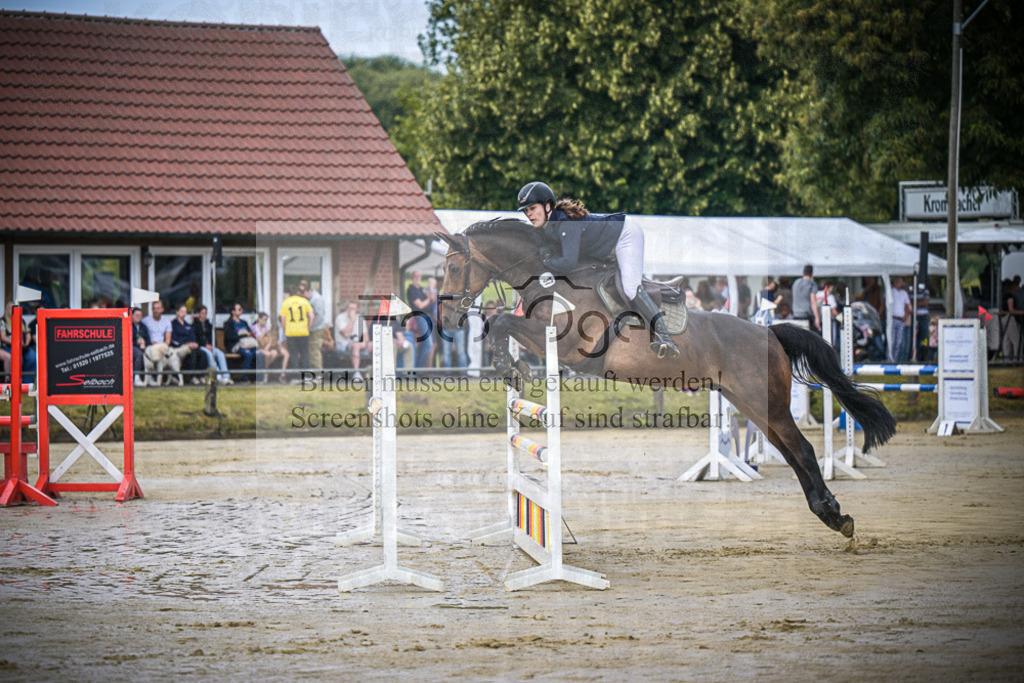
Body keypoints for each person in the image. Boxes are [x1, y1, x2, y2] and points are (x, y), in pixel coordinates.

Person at [517, 181, 679, 358]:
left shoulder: (565, 224)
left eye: (532, 208)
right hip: (607, 246)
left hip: (625, 235)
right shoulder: (549, 227)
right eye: (526, 211)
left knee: (631, 288)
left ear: (548, 206)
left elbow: (569, 263)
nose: (529, 214)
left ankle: (665, 338)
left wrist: (547, 261)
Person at [191, 305, 232, 385]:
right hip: (201, 346)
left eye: (205, 313)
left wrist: (212, 345)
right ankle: (218, 376)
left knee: (220, 354)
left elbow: (213, 338)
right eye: (202, 313)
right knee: (209, 355)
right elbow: (196, 339)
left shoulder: (209, 325)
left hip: (210, 346)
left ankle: (226, 376)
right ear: (198, 314)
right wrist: (205, 345)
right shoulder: (194, 326)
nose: (204, 315)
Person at [224, 303, 264, 383]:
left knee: (259, 354)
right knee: (248, 354)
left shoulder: (244, 322)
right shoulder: (228, 323)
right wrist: (244, 335)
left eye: (241, 309)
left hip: (248, 344)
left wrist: (251, 334)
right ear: (233, 312)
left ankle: (258, 379)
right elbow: (230, 337)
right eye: (239, 309)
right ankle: (244, 378)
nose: (241, 310)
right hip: (236, 345)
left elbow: (249, 333)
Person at [280, 284, 313, 374]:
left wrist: (284, 330)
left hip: (291, 332)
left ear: (288, 293)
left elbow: (283, 319)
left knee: (294, 355)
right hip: (303, 332)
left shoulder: (286, 303)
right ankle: (306, 376)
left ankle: (296, 377)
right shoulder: (304, 301)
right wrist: (308, 328)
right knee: (305, 354)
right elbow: (312, 316)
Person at [406, 270, 434, 367]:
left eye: (419, 276)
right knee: (428, 345)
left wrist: (431, 288)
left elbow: (433, 299)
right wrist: (429, 298)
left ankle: (418, 369)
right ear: (412, 277)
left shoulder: (422, 289)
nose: (418, 277)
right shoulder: (411, 290)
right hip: (421, 317)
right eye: (415, 276)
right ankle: (419, 369)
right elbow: (420, 305)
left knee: (424, 345)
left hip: (429, 317)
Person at [334, 300, 367, 380]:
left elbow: (366, 336)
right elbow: (346, 334)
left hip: (358, 344)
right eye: (349, 308)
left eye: (353, 308)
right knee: (355, 345)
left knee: (374, 345)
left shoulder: (360, 318)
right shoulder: (340, 318)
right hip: (343, 345)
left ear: (357, 309)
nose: (351, 310)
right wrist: (352, 320)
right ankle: (356, 373)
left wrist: (364, 343)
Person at [297, 280, 326, 370]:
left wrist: (310, 327)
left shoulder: (316, 299)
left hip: (316, 329)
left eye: (302, 295)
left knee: (314, 352)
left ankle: (318, 375)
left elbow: (319, 316)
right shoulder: (310, 299)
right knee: (310, 352)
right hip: (311, 329)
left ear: (306, 292)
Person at [252, 311, 288, 382]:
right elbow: (258, 339)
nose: (266, 322)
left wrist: (268, 346)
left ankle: (265, 371)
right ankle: (264, 373)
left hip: (266, 347)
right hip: (256, 347)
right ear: (259, 319)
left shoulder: (265, 328)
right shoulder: (254, 327)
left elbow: (270, 340)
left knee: (274, 353)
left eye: (267, 320)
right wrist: (265, 332)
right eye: (264, 320)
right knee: (268, 354)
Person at [170, 303, 200, 383]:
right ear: (177, 312)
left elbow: (192, 336)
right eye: (181, 311)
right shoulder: (173, 324)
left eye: (185, 312)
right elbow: (173, 340)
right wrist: (186, 344)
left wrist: (194, 343)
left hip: (189, 348)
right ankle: (191, 376)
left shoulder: (187, 325)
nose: (184, 313)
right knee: (192, 353)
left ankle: (199, 376)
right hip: (177, 348)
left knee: (201, 353)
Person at [791, 265, 820, 333]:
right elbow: (813, 302)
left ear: (803, 272)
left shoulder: (795, 283)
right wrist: (817, 317)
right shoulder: (811, 284)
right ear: (812, 273)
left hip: (796, 314)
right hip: (806, 315)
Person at [889, 276, 911, 362]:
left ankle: (895, 360)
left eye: (899, 281)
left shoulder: (904, 293)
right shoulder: (890, 291)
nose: (898, 283)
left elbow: (907, 305)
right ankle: (890, 359)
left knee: (898, 342)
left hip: (900, 320)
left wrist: (905, 315)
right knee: (892, 341)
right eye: (896, 281)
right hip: (893, 319)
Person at [130, 307, 147, 387]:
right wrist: (138, 344)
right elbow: (127, 339)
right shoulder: (128, 325)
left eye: (140, 315)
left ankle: (148, 377)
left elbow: (148, 339)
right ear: (132, 315)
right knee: (139, 354)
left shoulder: (144, 326)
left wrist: (144, 343)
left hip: (143, 347)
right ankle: (137, 377)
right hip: (131, 347)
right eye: (136, 315)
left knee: (150, 354)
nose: (138, 317)